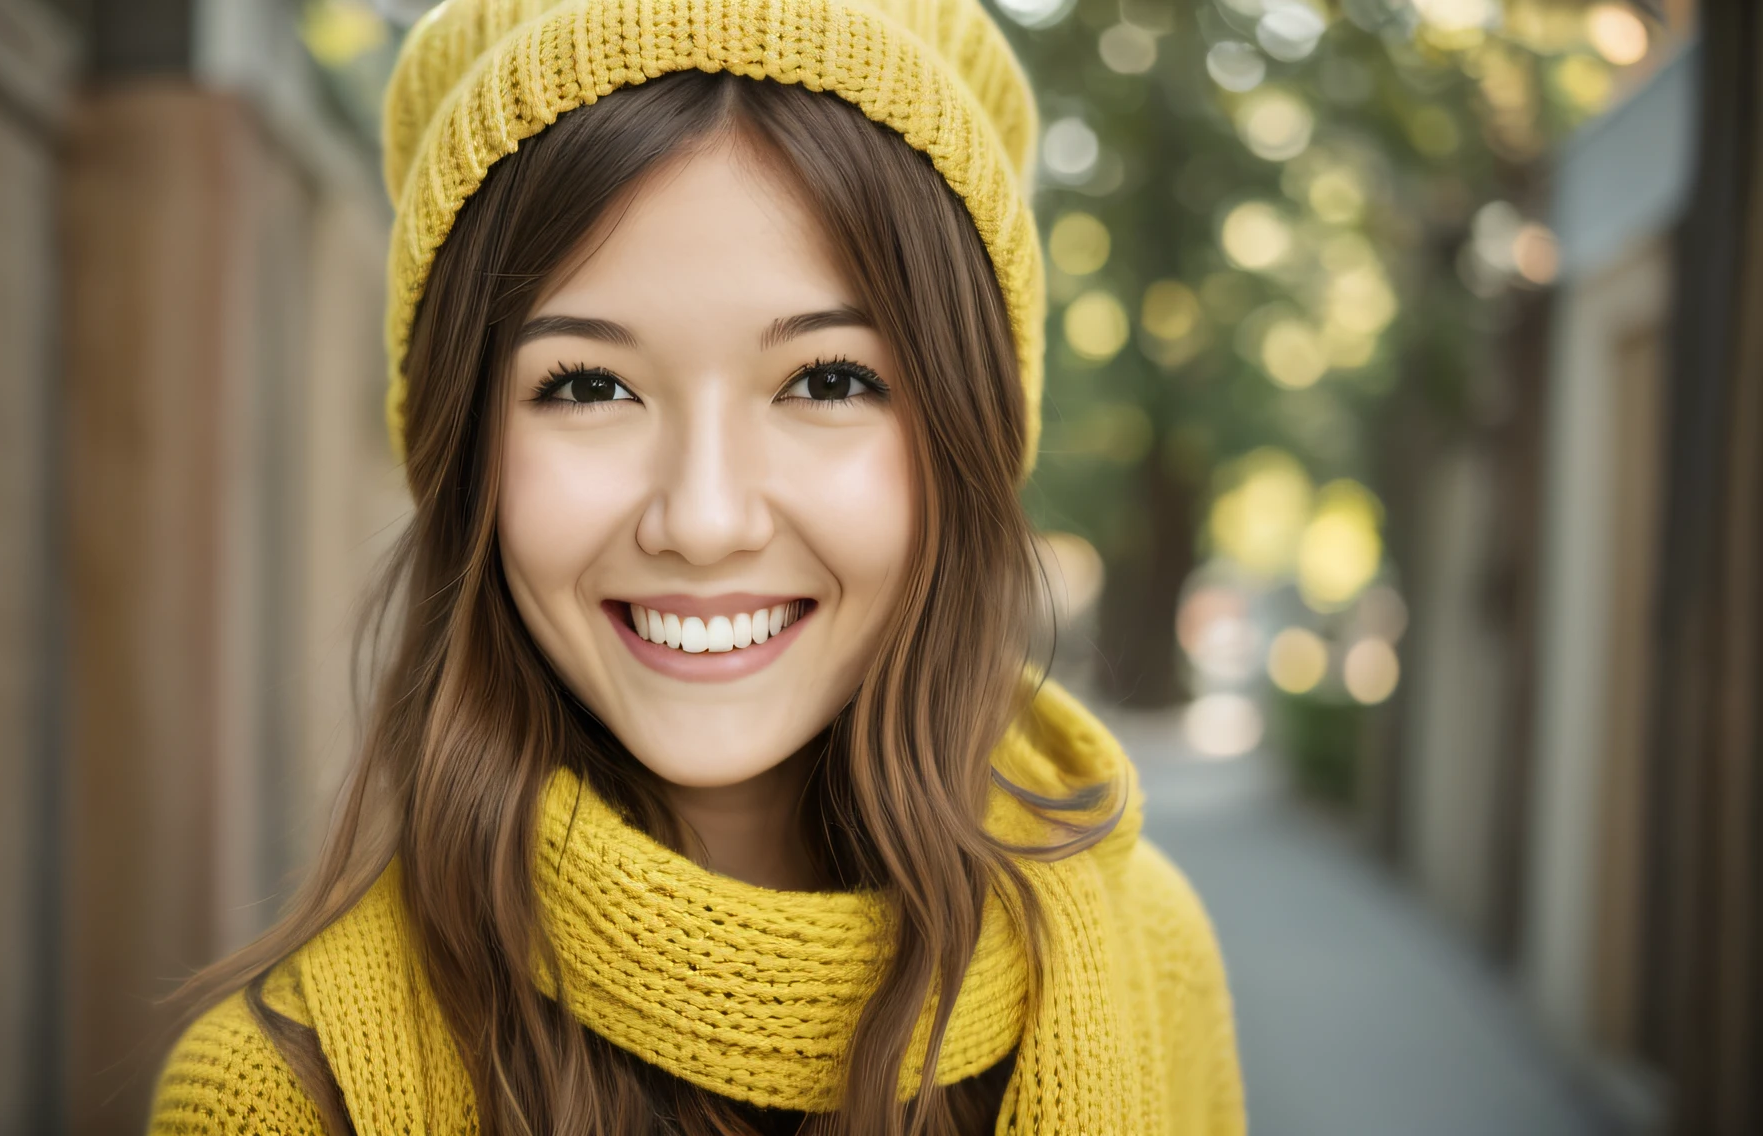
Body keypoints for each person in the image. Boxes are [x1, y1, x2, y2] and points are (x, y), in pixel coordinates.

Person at [149, 0, 1243, 1132]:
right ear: (463, 452)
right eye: (586, 385)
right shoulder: (279, 1096)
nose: (704, 518)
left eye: (825, 380)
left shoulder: (1149, 951)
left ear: (965, 436)